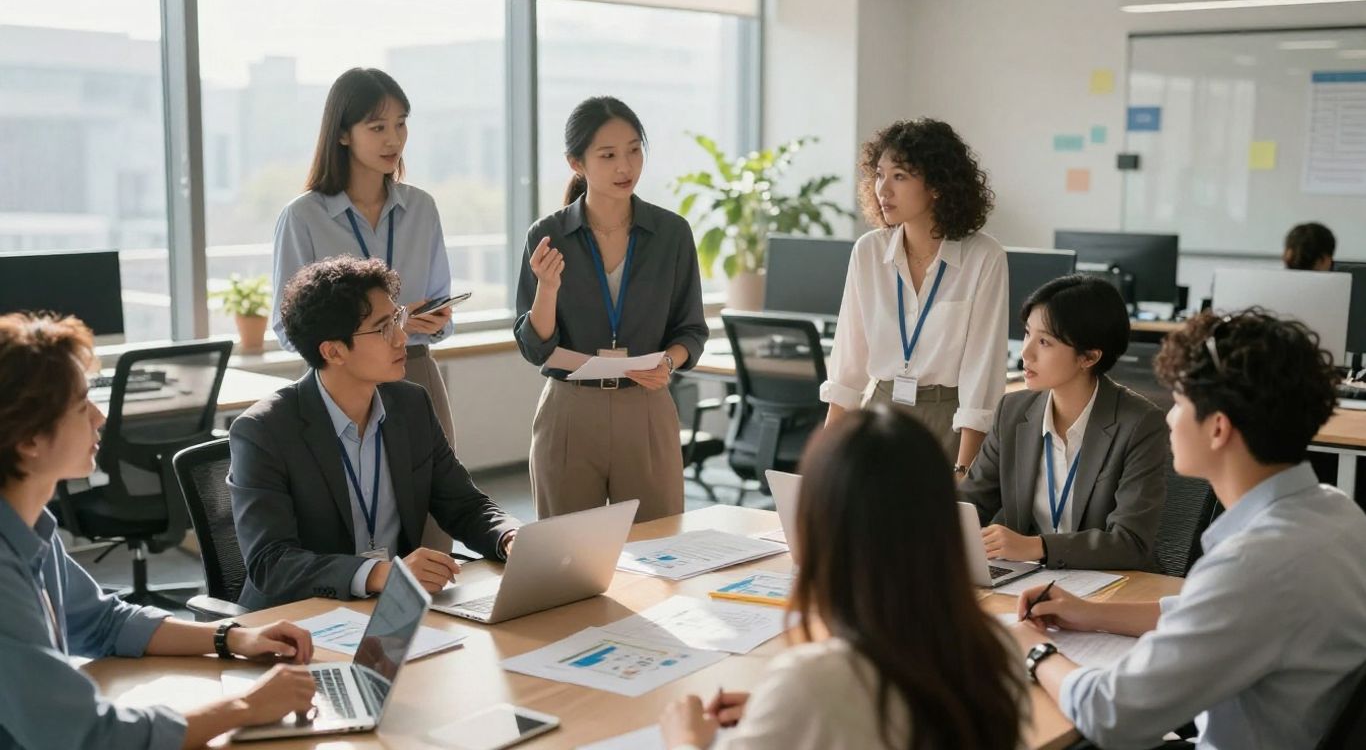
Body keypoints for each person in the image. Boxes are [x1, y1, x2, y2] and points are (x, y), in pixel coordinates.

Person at [1012, 310, 1366, 749]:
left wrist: (1032, 648)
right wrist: (1089, 612)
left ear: (1218, 428)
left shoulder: (1253, 564)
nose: (1169, 418)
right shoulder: (1339, 514)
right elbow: (1217, 613)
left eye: (1179, 403)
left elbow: (1110, 713)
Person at [0, 312, 317, 749]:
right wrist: (246, 707)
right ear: (29, 440)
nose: (99, 418)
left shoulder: (28, 526)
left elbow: (103, 622)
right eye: (80, 406)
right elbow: (91, 736)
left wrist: (236, 637)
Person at [660, 406, 1027, 750]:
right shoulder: (996, 649)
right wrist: (784, 714)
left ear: (822, 526)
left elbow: (841, 695)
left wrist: (685, 739)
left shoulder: (813, 679)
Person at [230, 256, 520, 610]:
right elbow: (271, 563)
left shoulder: (410, 405)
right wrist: (378, 573)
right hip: (297, 620)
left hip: (390, 609)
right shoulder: (264, 430)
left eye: (398, 318)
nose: (402, 337)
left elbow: (464, 505)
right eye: (384, 328)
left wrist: (509, 535)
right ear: (333, 350)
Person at [270, 67, 459, 551]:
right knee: (350, 522)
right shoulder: (304, 216)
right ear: (342, 134)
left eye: (401, 123)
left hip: (414, 374)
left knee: (432, 524)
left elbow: (441, 306)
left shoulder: (423, 208)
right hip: (342, 386)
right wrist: (357, 345)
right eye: (377, 127)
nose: (393, 138)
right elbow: (288, 325)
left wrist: (423, 323)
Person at [513, 96, 708, 522]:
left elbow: (691, 329)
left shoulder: (672, 233)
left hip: (647, 404)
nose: (626, 166)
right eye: (608, 155)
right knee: (568, 562)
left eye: (635, 150)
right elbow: (535, 347)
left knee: (660, 554)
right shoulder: (548, 235)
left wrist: (668, 363)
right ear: (576, 163)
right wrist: (547, 289)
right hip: (570, 411)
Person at [823, 118, 1008, 471]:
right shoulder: (868, 251)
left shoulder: (983, 257)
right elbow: (848, 367)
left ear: (937, 185)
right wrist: (824, 463)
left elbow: (981, 374)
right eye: (879, 175)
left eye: (900, 176)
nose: (883, 190)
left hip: (946, 418)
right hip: (879, 413)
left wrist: (963, 471)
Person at [959, 275, 1167, 570]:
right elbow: (970, 505)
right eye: (1027, 333)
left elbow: (1130, 543)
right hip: (1030, 579)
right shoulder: (1012, 411)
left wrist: (1036, 547)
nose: (1025, 353)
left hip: (1112, 586)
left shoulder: (1140, 424)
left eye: (1044, 341)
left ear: (1089, 357)